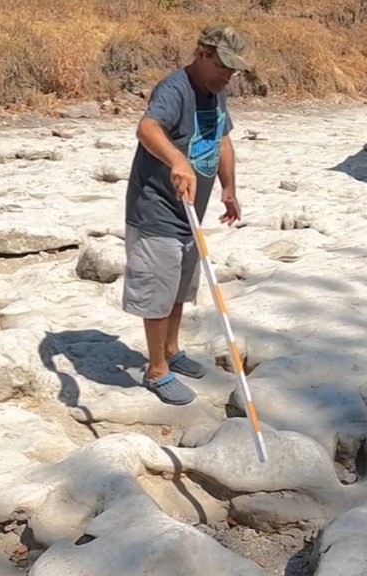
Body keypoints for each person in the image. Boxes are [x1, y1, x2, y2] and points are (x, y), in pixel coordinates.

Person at [121, 23, 250, 405]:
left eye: (233, 69)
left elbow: (222, 139)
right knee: (158, 292)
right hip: (155, 207)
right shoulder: (174, 89)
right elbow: (147, 128)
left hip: (190, 210)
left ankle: (172, 351)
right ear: (203, 54)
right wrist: (177, 158)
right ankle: (156, 369)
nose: (228, 75)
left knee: (178, 288)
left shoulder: (216, 91)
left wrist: (228, 189)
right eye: (223, 66)